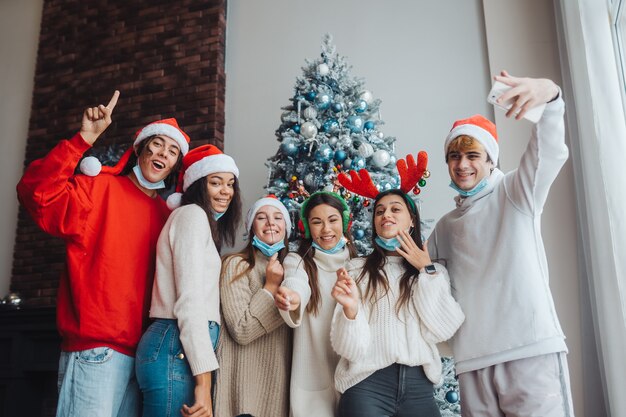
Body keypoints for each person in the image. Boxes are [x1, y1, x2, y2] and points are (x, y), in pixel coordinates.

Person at [16, 91, 190, 417]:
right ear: (139, 149)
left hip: (144, 360)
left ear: (174, 168)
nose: (163, 154)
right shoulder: (99, 189)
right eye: (157, 145)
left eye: (172, 152)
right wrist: (83, 139)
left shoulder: (169, 219)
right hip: (95, 351)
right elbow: (37, 193)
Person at [427, 71, 575, 416]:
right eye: (454, 157)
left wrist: (551, 98)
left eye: (472, 155)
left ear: (491, 159)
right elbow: (419, 281)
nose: (462, 165)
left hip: (529, 350)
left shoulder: (514, 193)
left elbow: (548, 153)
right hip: (472, 363)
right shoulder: (445, 228)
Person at [330, 188, 464, 417]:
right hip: (366, 386)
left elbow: (443, 329)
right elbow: (351, 349)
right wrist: (351, 310)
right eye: (379, 211)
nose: (386, 215)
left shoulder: (433, 272)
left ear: (412, 220)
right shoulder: (356, 270)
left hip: (419, 388)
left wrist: (425, 269)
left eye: (395, 209)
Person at [135, 144, 242, 417]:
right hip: (175, 347)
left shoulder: (200, 222)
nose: (225, 191)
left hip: (178, 348)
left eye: (230, 184)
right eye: (216, 183)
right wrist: (203, 384)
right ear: (197, 185)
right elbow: (190, 302)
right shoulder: (192, 216)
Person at [274, 191, 356, 417]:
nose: (326, 229)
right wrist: (292, 297)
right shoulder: (298, 261)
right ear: (308, 228)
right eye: (317, 222)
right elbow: (295, 282)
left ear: (345, 222)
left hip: (354, 380)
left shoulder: (358, 265)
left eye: (332, 220)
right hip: (312, 381)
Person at [214, 196, 293, 417]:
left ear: (286, 228)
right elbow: (242, 329)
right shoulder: (235, 265)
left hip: (279, 390)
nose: (270, 223)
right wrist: (270, 287)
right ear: (251, 228)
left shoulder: (295, 272)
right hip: (242, 391)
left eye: (278, 217)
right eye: (262, 217)